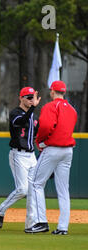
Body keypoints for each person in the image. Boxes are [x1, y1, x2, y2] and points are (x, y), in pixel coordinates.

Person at [25, 80, 77, 235]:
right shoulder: (73, 110)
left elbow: (46, 126)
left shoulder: (50, 106)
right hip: (68, 151)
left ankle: (41, 222)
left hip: (53, 148)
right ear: (64, 92)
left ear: (52, 92)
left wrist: (40, 140)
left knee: (35, 182)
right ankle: (63, 227)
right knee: (63, 189)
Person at [0, 87, 41, 229]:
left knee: (33, 190)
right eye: (28, 97)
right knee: (22, 189)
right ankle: (0, 210)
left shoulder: (32, 115)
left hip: (31, 155)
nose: (30, 100)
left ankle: (30, 224)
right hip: (18, 154)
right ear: (21, 98)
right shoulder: (15, 112)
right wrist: (33, 108)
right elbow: (20, 122)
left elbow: (34, 134)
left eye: (32, 97)